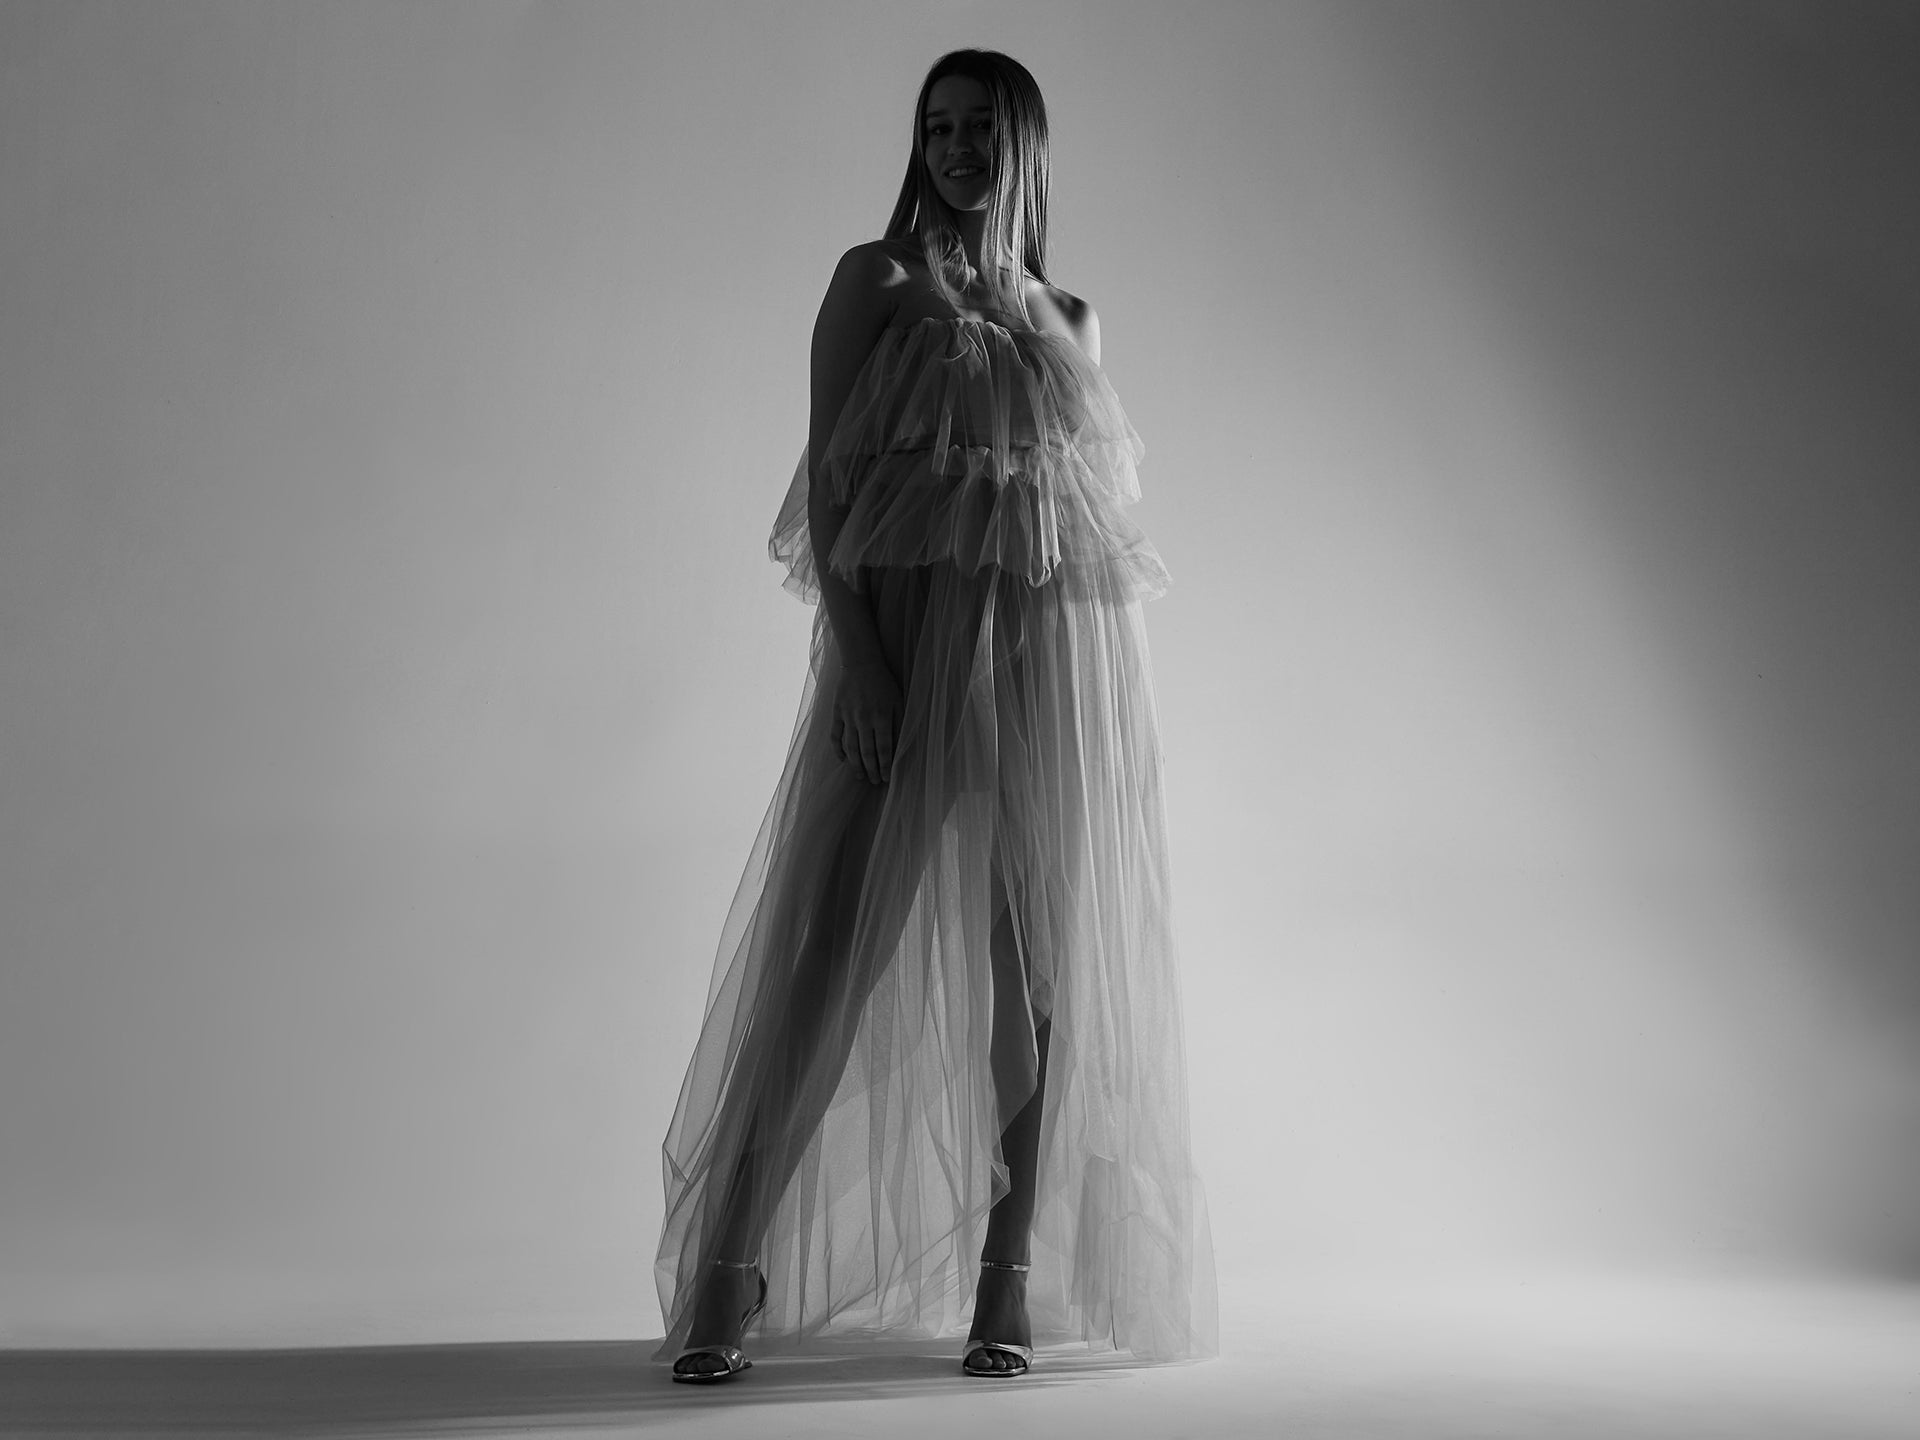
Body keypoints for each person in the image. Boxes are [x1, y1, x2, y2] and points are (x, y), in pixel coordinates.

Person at [655, 48, 1217, 1383]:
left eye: (979, 128)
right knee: (830, 959)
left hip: (1045, 672)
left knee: (1035, 976)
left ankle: (1004, 1281)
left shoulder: (1070, 320)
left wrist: (1094, 718)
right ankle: (731, 1265)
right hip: (903, 662)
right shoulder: (875, 283)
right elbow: (831, 496)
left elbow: (1080, 532)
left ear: (1026, 145)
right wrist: (861, 665)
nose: (956, 147)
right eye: (937, 126)